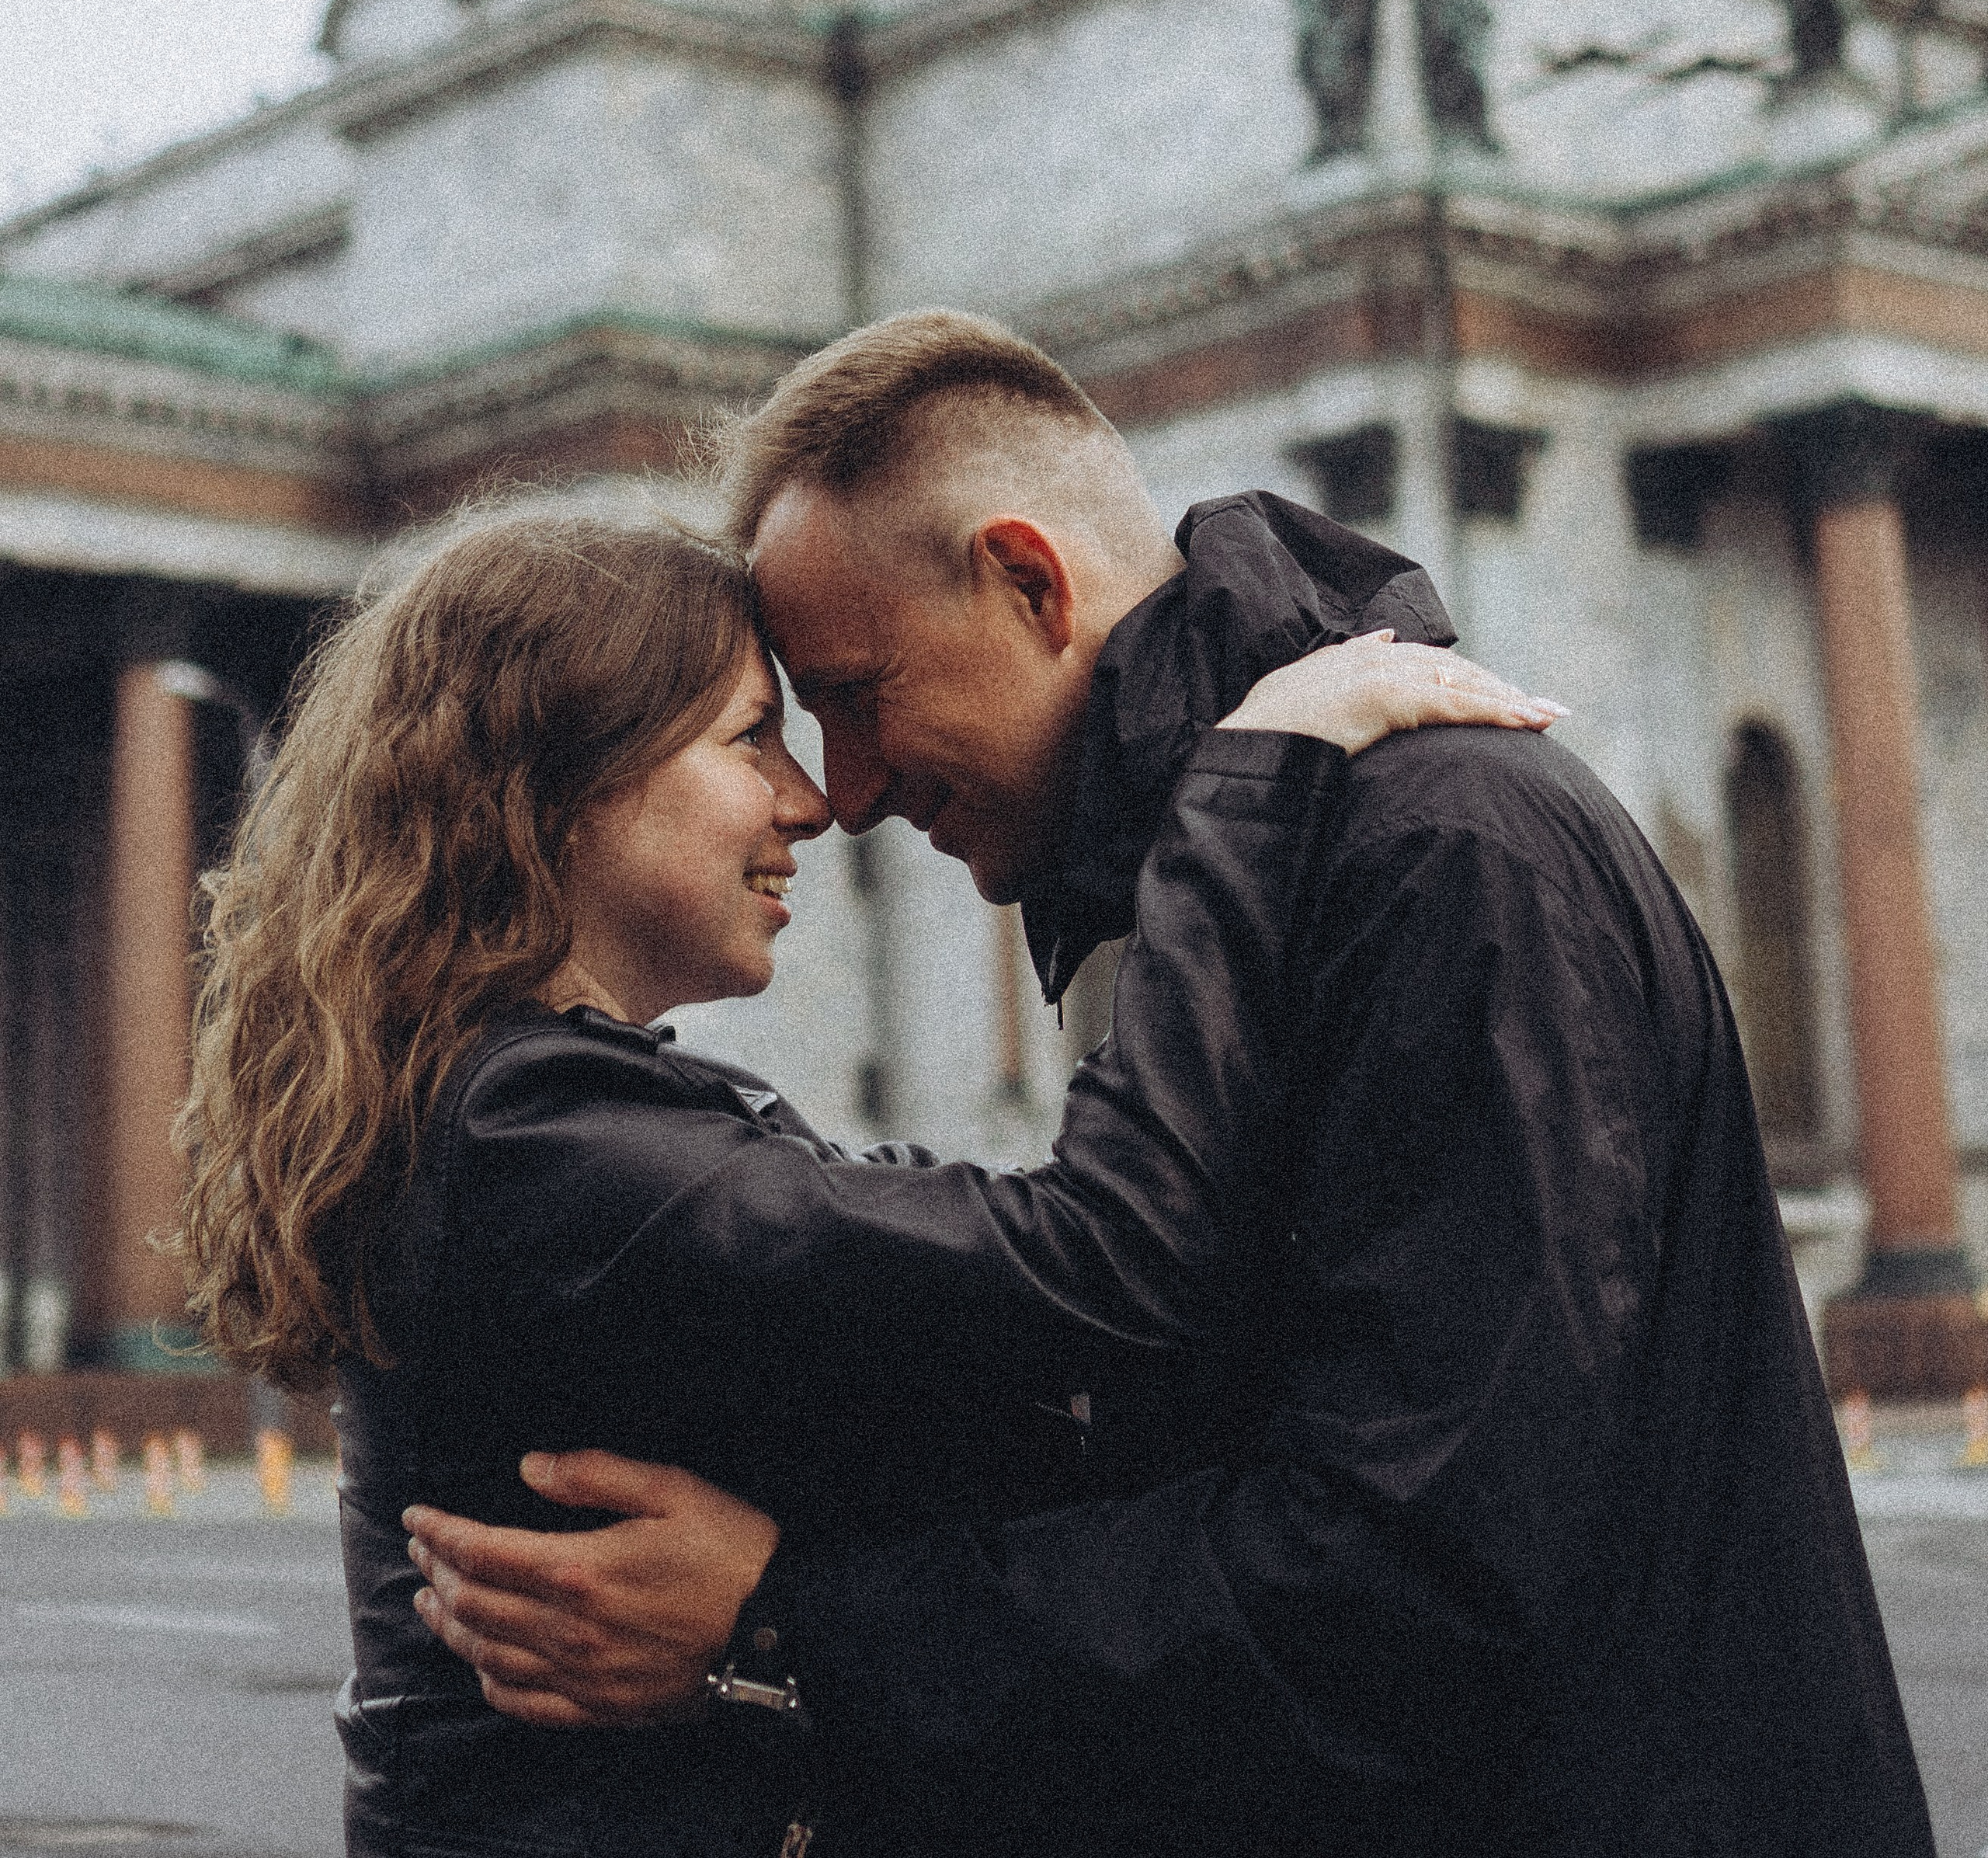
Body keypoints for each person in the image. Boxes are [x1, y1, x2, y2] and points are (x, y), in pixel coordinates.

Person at [407, 313, 1934, 1858]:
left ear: (1028, 579)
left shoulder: (1435, 856)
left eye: (856, 695)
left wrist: (797, 1626)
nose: (845, 794)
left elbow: (1423, 1578)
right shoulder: (1169, 890)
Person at [177, 503, 1548, 1858]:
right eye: (749, 736)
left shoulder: (539, 1119)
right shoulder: (527, 1138)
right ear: (564, 784)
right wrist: (1249, 791)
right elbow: (1101, 1255)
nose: (811, 801)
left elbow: (934, 1267)